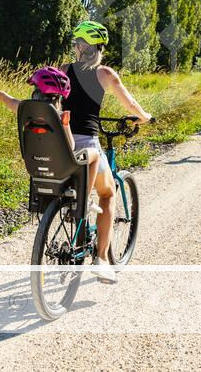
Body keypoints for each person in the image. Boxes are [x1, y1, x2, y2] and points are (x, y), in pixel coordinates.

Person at [61, 20, 153, 284]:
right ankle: (102, 258)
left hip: (62, 142)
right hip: (87, 144)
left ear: (80, 46)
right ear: (99, 47)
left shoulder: (64, 69)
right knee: (108, 193)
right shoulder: (105, 74)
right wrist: (144, 117)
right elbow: (131, 103)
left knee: (80, 187)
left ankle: (72, 208)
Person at [0, 67, 110, 215]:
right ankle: (84, 200)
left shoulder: (24, 109)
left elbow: (4, 97)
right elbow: (72, 145)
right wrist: (66, 125)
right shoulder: (61, 117)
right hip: (63, 165)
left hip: (33, 163)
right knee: (95, 155)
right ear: (60, 97)